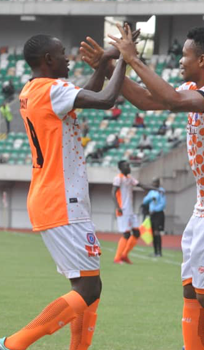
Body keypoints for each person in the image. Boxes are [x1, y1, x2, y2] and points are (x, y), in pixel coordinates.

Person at [83, 24, 204, 349]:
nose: (180, 60)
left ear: (201, 59)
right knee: (191, 289)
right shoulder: (193, 87)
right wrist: (110, 65)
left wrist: (132, 58)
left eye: (184, 55)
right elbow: (143, 99)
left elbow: (170, 100)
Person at [0, 30, 130, 350]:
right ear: (48, 60)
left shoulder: (35, 90)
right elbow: (106, 99)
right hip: (61, 199)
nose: (67, 58)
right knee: (88, 288)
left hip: (54, 196)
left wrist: (104, 61)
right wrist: (125, 58)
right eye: (61, 54)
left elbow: (87, 91)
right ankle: (14, 343)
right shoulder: (52, 89)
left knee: (88, 285)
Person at [112, 160, 155, 264]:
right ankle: (117, 258)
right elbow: (113, 193)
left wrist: (155, 188)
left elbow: (142, 185)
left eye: (129, 165)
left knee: (136, 233)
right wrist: (118, 207)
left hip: (130, 211)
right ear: (121, 168)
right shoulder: (118, 178)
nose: (129, 167)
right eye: (126, 166)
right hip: (123, 210)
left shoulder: (130, 178)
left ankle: (124, 255)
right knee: (126, 234)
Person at [142, 178, 166, 257]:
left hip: (158, 214)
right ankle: (155, 252)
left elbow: (163, 204)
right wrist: (149, 198)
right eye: (152, 183)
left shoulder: (161, 191)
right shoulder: (151, 192)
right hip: (152, 214)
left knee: (157, 232)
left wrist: (155, 210)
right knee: (152, 233)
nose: (153, 184)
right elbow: (145, 201)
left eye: (155, 183)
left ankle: (159, 252)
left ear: (158, 183)